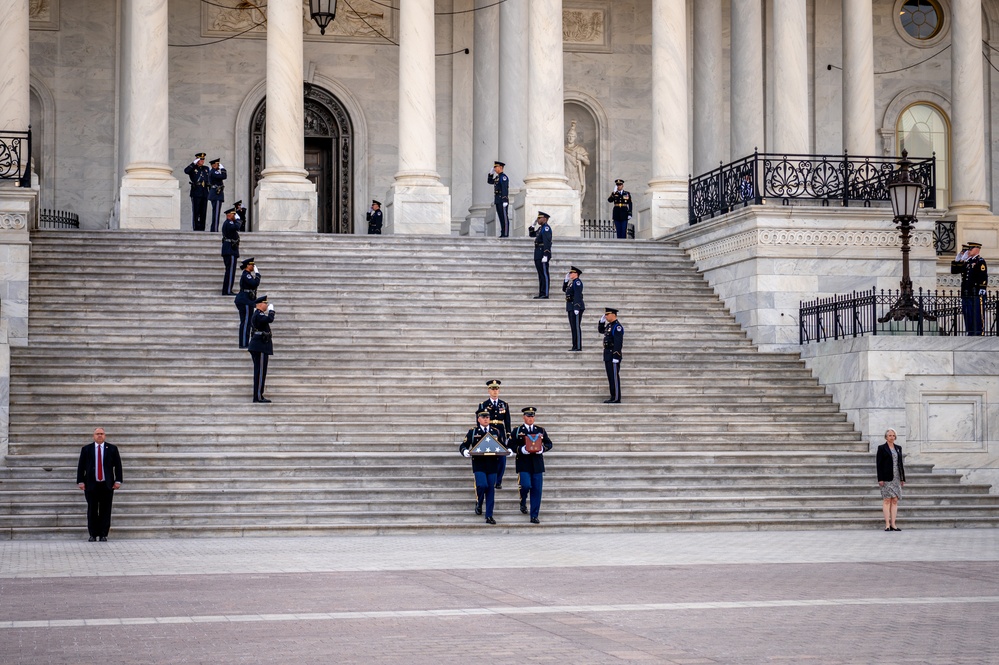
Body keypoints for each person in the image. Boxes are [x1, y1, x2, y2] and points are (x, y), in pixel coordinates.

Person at [76, 427, 123, 542]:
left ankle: (103, 534)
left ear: (105, 435)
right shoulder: (86, 449)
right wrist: (80, 481)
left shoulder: (112, 449)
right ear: (94, 436)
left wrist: (118, 480)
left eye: (101, 433)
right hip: (91, 485)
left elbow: (118, 465)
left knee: (105, 510)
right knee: (92, 510)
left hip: (106, 485)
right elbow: (81, 466)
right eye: (97, 434)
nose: (99, 436)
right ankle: (93, 534)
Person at [459, 411, 504, 524]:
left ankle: (489, 515)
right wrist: (465, 451)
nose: (485, 419)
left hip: (492, 464)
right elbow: (463, 445)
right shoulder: (473, 431)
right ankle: (479, 502)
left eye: (487, 417)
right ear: (478, 419)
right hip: (479, 464)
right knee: (482, 485)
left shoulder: (496, 431)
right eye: (483, 417)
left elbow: (502, 446)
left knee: (490, 490)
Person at [509, 407, 553, 524]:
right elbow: (511, 444)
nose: (530, 418)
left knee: (537, 491)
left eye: (532, 416)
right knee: (525, 485)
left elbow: (549, 443)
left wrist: (543, 449)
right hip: (523, 463)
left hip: (537, 464)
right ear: (524, 417)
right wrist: (520, 449)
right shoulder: (517, 430)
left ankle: (534, 515)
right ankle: (523, 500)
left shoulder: (540, 430)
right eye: (528, 416)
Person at [476, 380, 512, 489]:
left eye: (496, 389)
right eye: (492, 389)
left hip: (500, 434)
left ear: (499, 390)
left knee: (502, 458)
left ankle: (498, 480)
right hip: (488, 433)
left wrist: (508, 434)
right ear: (489, 390)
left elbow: (507, 421)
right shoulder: (483, 404)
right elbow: (479, 420)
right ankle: (489, 477)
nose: (495, 391)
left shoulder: (504, 404)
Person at [951, 241, 988, 335]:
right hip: (967, 292)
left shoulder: (980, 261)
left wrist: (982, 287)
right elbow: (955, 271)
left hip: (975, 292)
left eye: (970, 249)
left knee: (977, 313)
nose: (969, 251)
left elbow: (983, 275)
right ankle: (970, 331)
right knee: (968, 313)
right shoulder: (968, 262)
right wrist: (958, 260)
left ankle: (979, 331)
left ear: (977, 249)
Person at [876, 428, 906, 531]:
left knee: (895, 500)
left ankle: (893, 524)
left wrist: (902, 478)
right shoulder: (881, 448)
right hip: (886, 477)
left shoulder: (898, 448)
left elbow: (900, 464)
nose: (892, 437)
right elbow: (878, 465)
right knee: (887, 500)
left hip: (896, 477)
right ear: (886, 437)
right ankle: (887, 524)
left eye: (893, 435)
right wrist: (880, 478)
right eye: (890, 435)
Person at [248, 295, 275, 403]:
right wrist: (272, 312)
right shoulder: (259, 314)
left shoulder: (258, 314)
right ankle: (258, 396)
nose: (267, 305)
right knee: (260, 372)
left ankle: (259, 395)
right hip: (260, 346)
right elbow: (270, 319)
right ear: (259, 305)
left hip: (259, 345)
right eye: (265, 303)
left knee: (260, 372)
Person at [598, 307, 624, 403]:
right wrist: (601, 322)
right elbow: (601, 331)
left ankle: (616, 397)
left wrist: (616, 356)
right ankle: (613, 396)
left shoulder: (617, 327)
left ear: (613, 314)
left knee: (614, 377)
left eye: (607, 314)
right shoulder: (609, 326)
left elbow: (618, 343)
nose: (606, 316)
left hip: (613, 355)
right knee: (610, 377)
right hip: (607, 354)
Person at [234, 257, 260, 349]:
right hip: (245, 300)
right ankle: (244, 343)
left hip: (246, 300)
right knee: (246, 322)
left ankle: (244, 342)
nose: (253, 266)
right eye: (252, 265)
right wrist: (257, 274)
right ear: (247, 266)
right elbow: (254, 284)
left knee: (246, 322)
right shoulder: (246, 274)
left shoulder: (247, 274)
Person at [183, 152, 211, 231]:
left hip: (204, 191)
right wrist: (193, 163)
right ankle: (196, 228)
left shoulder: (206, 168)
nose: (202, 161)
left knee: (203, 211)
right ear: (197, 159)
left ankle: (202, 228)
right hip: (196, 191)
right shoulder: (193, 168)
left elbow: (208, 179)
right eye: (200, 159)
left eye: (203, 159)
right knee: (196, 211)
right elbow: (186, 171)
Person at [564, 120, 590, 203]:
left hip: (576, 177)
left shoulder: (580, 149)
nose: (571, 137)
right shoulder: (562, 149)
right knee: (566, 198)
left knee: (577, 198)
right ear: (567, 137)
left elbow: (587, 162)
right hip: (566, 176)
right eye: (569, 136)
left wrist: (581, 157)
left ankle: (578, 214)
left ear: (575, 137)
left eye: (572, 136)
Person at [529, 211, 552, 298]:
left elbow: (547, 241)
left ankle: (545, 293)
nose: (538, 219)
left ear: (545, 219)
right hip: (538, 252)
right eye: (538, 218)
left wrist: (546, 254)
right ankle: (541, 293)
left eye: (539, 218)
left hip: (543, 252)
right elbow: (532, 235)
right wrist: (533, 226)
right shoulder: (540, 228)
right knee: (540, 274)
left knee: (544, 274)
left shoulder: (546, 228)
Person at [562, 266, 585, 351]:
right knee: (573, 327)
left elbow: (578, 295)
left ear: (576, 274)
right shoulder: (572, 283)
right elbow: (564, 290)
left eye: (572, 273)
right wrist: (565, 281)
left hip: (575, 307)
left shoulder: (577, 282)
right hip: (570, 307)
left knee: (576, 327)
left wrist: (576, 307)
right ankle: (574, 345)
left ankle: (578, 346)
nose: (570, 274)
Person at [220, 208, 240, 296]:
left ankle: (228, 289)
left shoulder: (229, 222)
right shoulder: (229, 222)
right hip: (230, 250)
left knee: (230, 271)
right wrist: (238, 220)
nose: (234, 216)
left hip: (230, 249)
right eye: (233, 214)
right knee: (230, 271)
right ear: (229, 215)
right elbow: (237, 227)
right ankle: (227, 290)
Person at [487, 161, 510, 238]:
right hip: (497, 200)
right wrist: (490, 174)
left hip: (502, 199)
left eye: (496, 167)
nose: (495, 169)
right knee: (500, 217)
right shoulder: (497, 177)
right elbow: (489, 181)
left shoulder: (503, 177)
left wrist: (505, 200)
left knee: (504, 217)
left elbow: (504, 189)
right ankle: (502, 233)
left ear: (501, 167)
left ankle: (505, 233)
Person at [207, 158, 227, 232]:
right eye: (217, 164)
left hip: (216, 193)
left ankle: (214, 228)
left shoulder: (214, 171)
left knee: (216, 212)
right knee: (216, 213)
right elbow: (224, 176)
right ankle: (214, 229)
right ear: (213, 165)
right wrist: (223, 169)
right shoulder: (214, 172)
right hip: (216, 194)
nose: (218, 165)